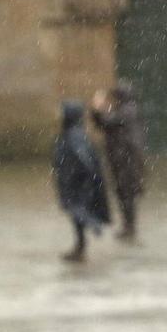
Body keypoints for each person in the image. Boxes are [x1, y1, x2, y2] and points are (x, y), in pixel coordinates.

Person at [51, 100, 110, 262]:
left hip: (77, 185)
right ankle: (80, 247)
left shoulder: (75, 136)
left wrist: (79, 178)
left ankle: (80, 248)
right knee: (76, 215)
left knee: (79, 213)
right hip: (74, 184)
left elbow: (85, 161)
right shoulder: (72, 133)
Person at [89, 82, 147, 241]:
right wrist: (97, 111)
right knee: (123, 193)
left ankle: (130, 227)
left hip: (127, 160)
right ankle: (128, 226)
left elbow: (107, 122)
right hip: (123, 159)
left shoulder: (128, 110)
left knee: (126, 193)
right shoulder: (126, 109)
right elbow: (104, 124)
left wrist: (98, 107)